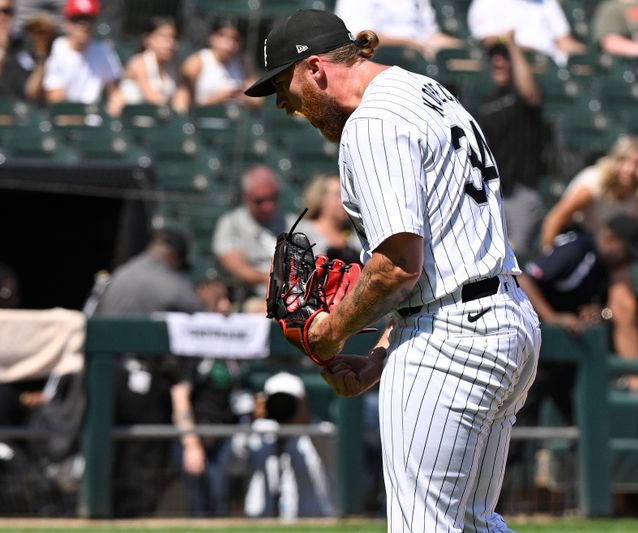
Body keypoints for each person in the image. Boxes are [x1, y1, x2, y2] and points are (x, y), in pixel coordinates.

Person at [243, 10, 541, 532]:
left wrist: (332, 332)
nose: (286, 107)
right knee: (473, 523)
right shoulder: (425, 91)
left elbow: (399, 264)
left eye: (284, 89)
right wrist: (383, 353)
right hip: (503, 318)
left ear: (315, 69)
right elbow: (443, 248)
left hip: (452, 341)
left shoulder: (372, 122)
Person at [93, 226, 202, 517]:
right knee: (143, 455)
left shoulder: (121, 273)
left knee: (112, 452)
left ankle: (108, 513)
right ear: (174, 256)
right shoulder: (169, 280)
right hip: (140, 380)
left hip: (106, 380)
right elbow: (201, 318)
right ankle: (134, 516)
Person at [541, 135, 638, 365]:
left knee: (625, 307)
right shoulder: (593, 184)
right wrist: (549, 259)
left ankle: (633, 378)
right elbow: (555, 219)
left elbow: (628, 242)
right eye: (624, 161)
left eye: (636, 164)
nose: (630, 169)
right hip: (578, 249)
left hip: (611, 256)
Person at [519, 215, 638, 398]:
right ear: (610, 239)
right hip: (531, 330)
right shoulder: (578, 249)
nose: (625, 260)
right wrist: (553, 317)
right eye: (625, 252)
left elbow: (594, 305)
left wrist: (596, 313)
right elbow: (523, 279)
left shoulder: (604, 265)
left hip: (563, 342)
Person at [476, 35, 545, 257]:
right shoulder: (486, 102)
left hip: (520, 192)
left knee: (516, 260)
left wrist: (512, 45)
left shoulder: (522, 96)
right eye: (495, 57)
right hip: (491, 193)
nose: (499, 62)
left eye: (504, 57)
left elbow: (530, 93)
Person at [241, 372, 333, 519]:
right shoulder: (258, 430)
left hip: (311, 520)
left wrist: (303, 419)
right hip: (260, 520)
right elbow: (233, 463)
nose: (282, 407)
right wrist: (250, 421)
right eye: (276, 401)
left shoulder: (320, 431)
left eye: (290, 401)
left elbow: (333, 455)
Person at [211, 165, 294, 311]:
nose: (268, 206)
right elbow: (238, 269)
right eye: (259, 200)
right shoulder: (232, 224)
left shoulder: (291, 223)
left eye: (272, 198)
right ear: (246, 197)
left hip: (292, 294)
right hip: (252, 297)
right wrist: (275, 279)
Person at [42, 0, 123, 116]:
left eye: (89, 20)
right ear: (67, 23)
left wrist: (116, 104)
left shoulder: (103, 50)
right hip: (64, 120)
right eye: (78, 20)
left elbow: (115, 91)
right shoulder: (58, 48)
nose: (84, 25)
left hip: (95, 120)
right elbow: (55, 97)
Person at [467, 0, 585, 66]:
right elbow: (488, 40)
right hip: (517, 63)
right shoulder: (486, 2)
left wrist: (593, 54)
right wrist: (513, 44)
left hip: (554, 65)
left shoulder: (547, 2)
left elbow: (564, 41)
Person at [334, 0, 463, 60]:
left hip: (419, 59)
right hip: (380, 61)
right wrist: (410, 44)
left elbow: (431, 35)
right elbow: (361, 37)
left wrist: (464, 47)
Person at [117, 17, 191, 115]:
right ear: (148, 39)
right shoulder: (138, 62)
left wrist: (181, 113)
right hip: (130, 120)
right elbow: (151, 96)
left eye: (173, 37)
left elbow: (181, 92)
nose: (170, 43)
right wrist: (173, 111)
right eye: (164, 37)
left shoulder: (174, 65)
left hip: (158, 120)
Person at [180, 17, 259, 109]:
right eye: (223, 36)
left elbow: (257, 100)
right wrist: (218, 98)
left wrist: (242, 97)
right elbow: (184, 102)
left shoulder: (243, 63)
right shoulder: (197, 61)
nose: (229, 44)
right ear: (212, 37)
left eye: (235, 39)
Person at [296, 174, 361, 263]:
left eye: (348, 195)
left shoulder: (355, 235)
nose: (346, 200)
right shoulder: (302, 234)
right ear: (321, 198)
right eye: (338, 194)